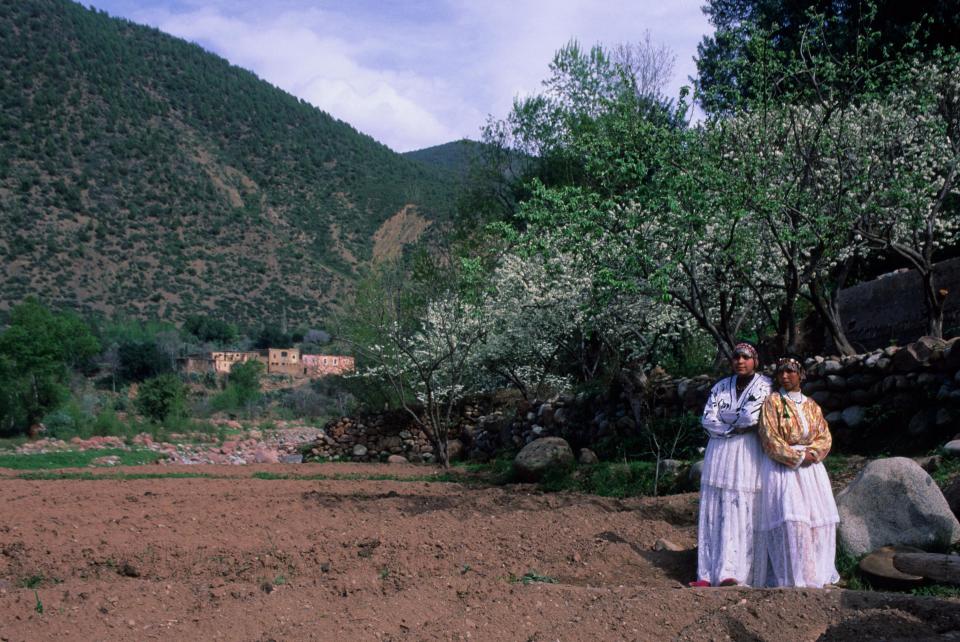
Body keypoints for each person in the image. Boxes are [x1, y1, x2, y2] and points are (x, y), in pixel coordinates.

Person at [753, 356, 840, 588]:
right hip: (785, 469)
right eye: (781, 372)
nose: (785, 376)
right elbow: (769, 436)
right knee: (792, 519)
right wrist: (797, 456)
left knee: (815, 520)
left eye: (790, 372)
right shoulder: (772, 402)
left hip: (811, 470)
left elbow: (824, 434)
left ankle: (815, 573)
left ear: (800, 374)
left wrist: (814, 453)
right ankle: (792, 574)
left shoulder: (811, 405)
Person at [692, 342, 772, 587]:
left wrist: (726, 423)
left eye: (746, 357)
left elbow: (752, 417)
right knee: (717, 506)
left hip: (747, 451)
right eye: (736, 357)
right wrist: (731, 427)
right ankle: (709, 572)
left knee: (743, 505)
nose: (740, 361)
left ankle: (737, 571)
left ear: (754, 361)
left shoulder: (765, 385)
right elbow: (708, 418)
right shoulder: (720, 387)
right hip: (720, 452)